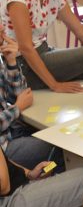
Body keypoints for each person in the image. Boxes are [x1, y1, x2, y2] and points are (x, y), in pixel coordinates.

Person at [0, 25, 64, 171]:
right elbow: (20, 102)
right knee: (62, 149)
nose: (2, 27)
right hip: (4, 149)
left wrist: (11, 62)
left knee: (60, 134)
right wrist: (17, 108)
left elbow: (22, 94)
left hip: (12, 131)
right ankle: (47, 177)